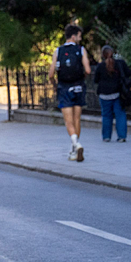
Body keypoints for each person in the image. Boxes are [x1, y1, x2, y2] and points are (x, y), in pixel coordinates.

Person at [48, 24, 91, 161]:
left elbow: (50, 74)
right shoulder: (81, 50)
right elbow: (88, 70)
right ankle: (73, 149)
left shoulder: (58, 51)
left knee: (68, 121)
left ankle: (76, 144)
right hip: (78, 87)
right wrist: (81, 79)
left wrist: (55, 85)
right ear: (73, 36)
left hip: (64, 88)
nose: (80, 38)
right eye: (79, 36)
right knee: (77, 119)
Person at [92, 46, 131, 143]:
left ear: (103, 55)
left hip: (104, 94)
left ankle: (106, 137)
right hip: (117, 93)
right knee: (120, 114)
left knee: (106, 115)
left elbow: (96, 80)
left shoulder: (100, 66)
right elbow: (129, 73)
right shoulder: (120, 64)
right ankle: (122, 136)